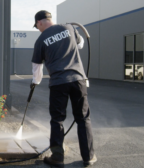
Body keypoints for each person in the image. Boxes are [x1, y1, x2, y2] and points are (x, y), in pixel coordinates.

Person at [31, 10, 97, 167]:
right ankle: (88, 157)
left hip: (58, 83)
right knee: (83, 119)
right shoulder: (69, 28)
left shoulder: (40, 40)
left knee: (57, 120)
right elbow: (80, 44)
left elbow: (37, 67)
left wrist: (35, 82)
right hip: (78, 80)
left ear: (40, 22)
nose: (38, 28)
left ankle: (57, 158)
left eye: (37, 26)